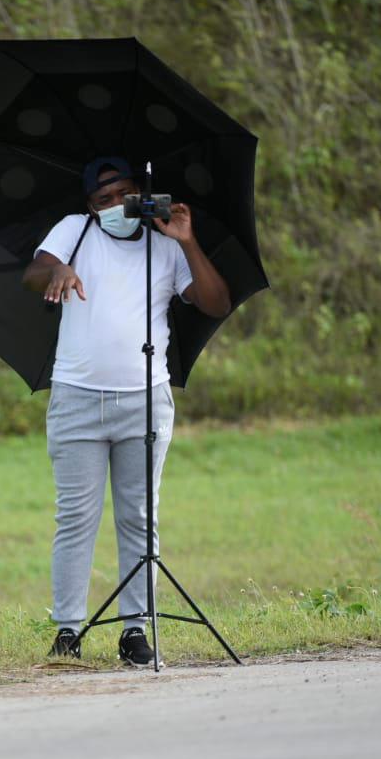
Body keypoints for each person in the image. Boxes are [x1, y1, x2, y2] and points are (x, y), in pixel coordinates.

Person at [21, 156, 230, 665]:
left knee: (139, 517)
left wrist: (186, 240)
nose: (115, 205)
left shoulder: (165, 247)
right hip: (76, 398)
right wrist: (58, 269)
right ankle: (68, 631)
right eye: (103, 199)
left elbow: (216, 303)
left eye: (124, 194)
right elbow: (33, 273)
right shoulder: (74, 232)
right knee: (76, 516)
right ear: (90, 206)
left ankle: (134, 630)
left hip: (144, 400)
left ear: (143, 193)